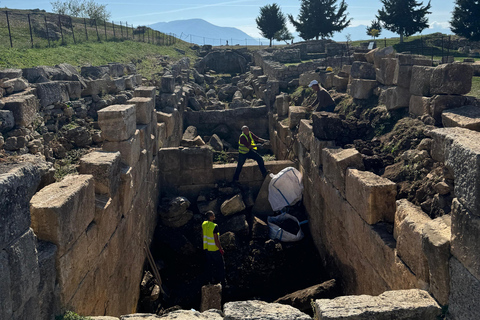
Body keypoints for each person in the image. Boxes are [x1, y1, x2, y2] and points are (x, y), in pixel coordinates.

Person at [202, 211, 226, 286]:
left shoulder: (204, 224)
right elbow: (216, 240)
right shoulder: (214, 226)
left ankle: (210, 281)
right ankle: (222, 282)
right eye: (213, 215)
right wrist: (220, 248)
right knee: (220, 266)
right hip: (214, 250)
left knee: (210, 266)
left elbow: (202, 235)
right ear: (211, 217)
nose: (214, 216)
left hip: (207, 249)